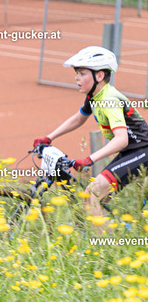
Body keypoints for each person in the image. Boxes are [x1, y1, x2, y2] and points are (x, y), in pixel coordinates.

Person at [33, 46, 148, 218]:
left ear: (99, 76)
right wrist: (48, 137)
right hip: (131, 151)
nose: (76, 78)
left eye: (82, 73)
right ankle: (110, 231)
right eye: (77, 73)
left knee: (91, 195)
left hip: (142, 151)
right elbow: (78, 119)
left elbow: (122, 139)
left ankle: (104, 236)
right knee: (95, 200)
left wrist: (89, 159)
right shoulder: (95, 96)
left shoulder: (109, 100)